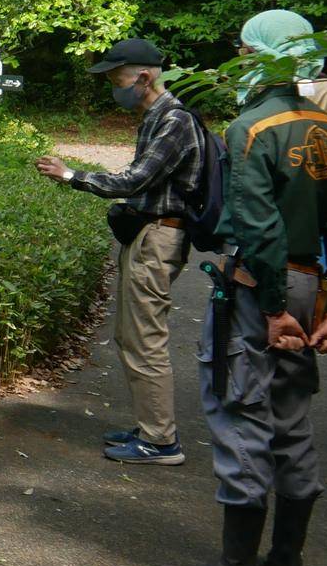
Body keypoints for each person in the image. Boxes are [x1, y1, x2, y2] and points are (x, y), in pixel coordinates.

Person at [159, 10, 327, 566]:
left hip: (262, 292)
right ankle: (286, 562)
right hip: (312, 287)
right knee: (291, 414)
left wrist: (268, 306)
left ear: (259, 54)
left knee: (241, 407)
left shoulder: (253, 126)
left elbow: (259, 228)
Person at [36, 37, 207, 465]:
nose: (115, 87)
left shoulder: (174, 121)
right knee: (131, 336)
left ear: (144, 77)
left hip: (159, 238)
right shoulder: (153, 117)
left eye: (118, 78)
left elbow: (134, 180)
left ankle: (161, 442)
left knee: (145, 339)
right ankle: (151, 428)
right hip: (146, 235)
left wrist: (72, 174)